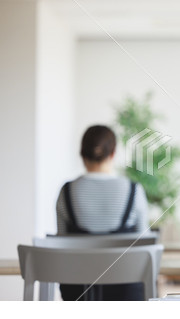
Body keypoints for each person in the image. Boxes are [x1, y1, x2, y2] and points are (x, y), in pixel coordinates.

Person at [56, 125, 149, 300]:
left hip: (77, 294)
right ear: (113, 154)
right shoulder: (133, 191)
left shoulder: (66, 192)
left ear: (82, 155)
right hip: (127, 293)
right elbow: (143, 246)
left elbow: (62, 243)